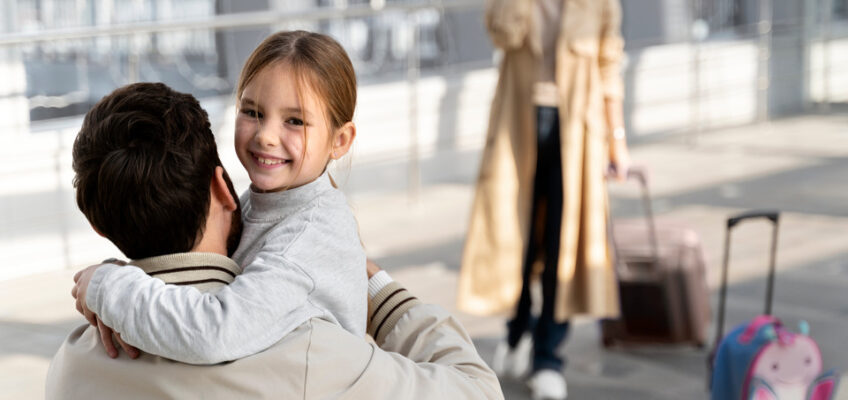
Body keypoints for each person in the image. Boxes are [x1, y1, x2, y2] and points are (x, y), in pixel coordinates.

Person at [46, 82, 503, 399]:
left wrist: (108, 283)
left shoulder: (71, 366)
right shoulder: (309, 353)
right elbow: (477, 390)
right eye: (253, 112)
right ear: (223, 188)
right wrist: (376, 287)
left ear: (98, 226)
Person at [70, 30, 369, 365]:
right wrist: (129, 275)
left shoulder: (308, 238)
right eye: (252, 111)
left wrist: (110, 288)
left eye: (295, 121)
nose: (266, 135)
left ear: (340, 141)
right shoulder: (267, 203)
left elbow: (214, 333)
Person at [457, 0, 630, 398]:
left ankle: (549, 357)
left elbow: (609, 63)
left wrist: (617, 140)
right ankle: (518, 329)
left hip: (578, 134)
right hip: (517, 126)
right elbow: (500, 33)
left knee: (561, 247)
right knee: (513, 243)